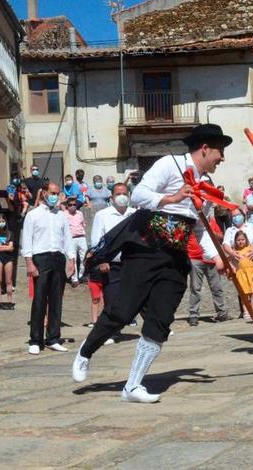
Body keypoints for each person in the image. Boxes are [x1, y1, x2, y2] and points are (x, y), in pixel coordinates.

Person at [72, 123, 229, 403]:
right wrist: (172, 197)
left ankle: (133, 386)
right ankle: (86, 350)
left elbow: (200, 229)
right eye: (220, 151)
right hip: (145, 249)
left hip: (175, 257)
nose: (222, 158)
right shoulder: (169, 165)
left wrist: (216, 256)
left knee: (160, 320)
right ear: (205, 148)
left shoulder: (207, 189)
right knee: (122, 311)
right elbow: (139, 195)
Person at [22, 182, 75, 355]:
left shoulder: (61, 215)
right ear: (44, 193)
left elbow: (68, 239)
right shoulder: (33, 215)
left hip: (57, 257)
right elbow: (27, 239)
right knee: (39, 300)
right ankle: (35, 339)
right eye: (52, 193)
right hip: (40, 258)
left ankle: (53, 337)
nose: (55, 196)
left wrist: (71, 260)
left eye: (57, 193)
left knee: (56, 300)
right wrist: (29, 262)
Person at [88, 182, 138, 336]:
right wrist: (102, 260)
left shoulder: (135, 214)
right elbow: (96, 241)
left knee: (132, 297)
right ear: (112, 197)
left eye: (124, 193)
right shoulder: (102, 215)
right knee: (111, 299)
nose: (122, 197)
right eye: (118, 194)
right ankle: (110, 332)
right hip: (111, 265)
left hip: (131, 264)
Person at [187, 212, 227, 326]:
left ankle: (221, 312)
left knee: (216, 287)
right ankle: (193, 315)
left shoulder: (211, 221)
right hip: (195, 258)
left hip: (211, 259)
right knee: (195, 288)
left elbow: (221, 237)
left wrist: (210, 231)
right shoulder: (189, 222)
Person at [222, 209, 253, 319]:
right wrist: (232, 253)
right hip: (238, 265)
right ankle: (246, 311)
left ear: (243, 215)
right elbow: (225, 244)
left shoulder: (252, 226)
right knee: (243, 290)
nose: (236, 217)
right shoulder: (230, 230)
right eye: (234, 216)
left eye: (238, 215)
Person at [231, 231, 253, 319]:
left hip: (252, 272)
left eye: (242, 239)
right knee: (243, 293)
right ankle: (246, 311)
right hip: (241, 273)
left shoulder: (250, 248)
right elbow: (230, 260)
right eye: (238, 240)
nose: (240, 241)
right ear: (235, 241)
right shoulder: (234, 251)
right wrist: (233, 268)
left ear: (246, 240)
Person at [0, 213, 15, 309]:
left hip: (8, 258)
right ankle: (0, 302)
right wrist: (5, 247)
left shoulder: (10, 233)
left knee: (8, 280)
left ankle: (9, 301)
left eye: (3, 221)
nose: (1, 223)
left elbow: (11, 248)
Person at [63, 198, 87, 287]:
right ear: (67, 206)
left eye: (74, 204)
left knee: (84, 258)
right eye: (70, 205)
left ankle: (81, 276)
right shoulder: (63, 215)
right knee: (73, 259)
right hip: (71, 239)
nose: (73, 206)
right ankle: (74, 279)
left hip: (81, 237)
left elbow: (83, 224)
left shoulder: (80, 213)